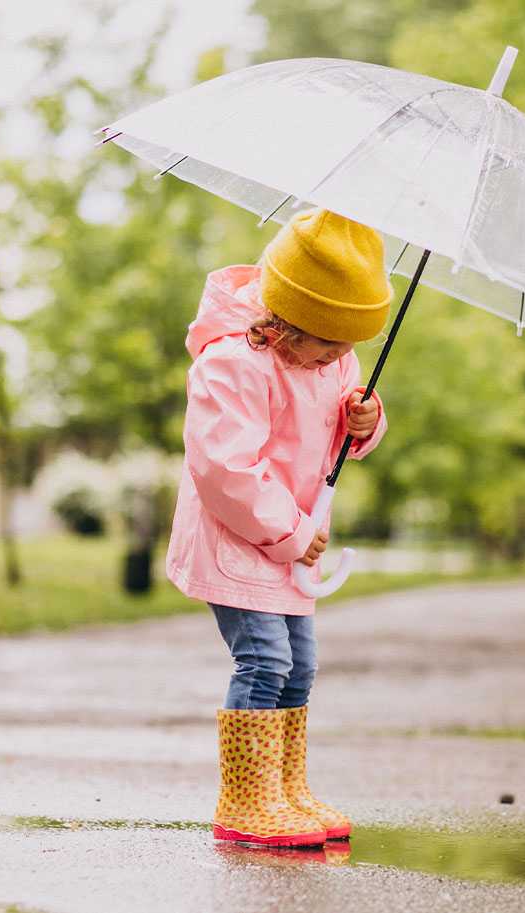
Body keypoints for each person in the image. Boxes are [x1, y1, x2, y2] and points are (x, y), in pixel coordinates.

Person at [165, 208, 393, 847]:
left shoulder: (332, 363)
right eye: (329, 344)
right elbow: (225, 468)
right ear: (285, 322)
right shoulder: (231, 366)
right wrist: (290, 533)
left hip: (293, 545)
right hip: (239, 541)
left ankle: (284, 790)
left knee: (300, 667)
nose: (342, 359)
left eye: (351, 348)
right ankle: (245, 800)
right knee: (264, 660)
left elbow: (334, 447)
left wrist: (365, 424)